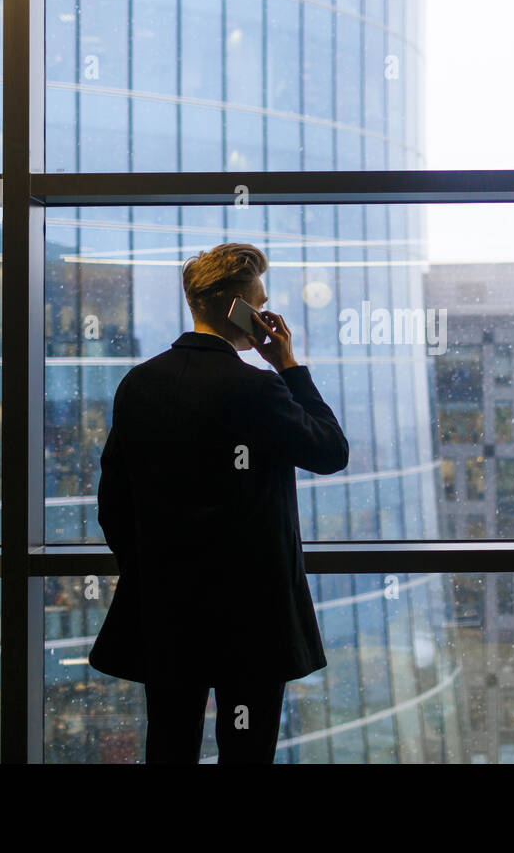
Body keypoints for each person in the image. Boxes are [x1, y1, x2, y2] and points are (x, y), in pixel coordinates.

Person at [88, 242, 348, 763]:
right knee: (247, 752)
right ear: (238, 309)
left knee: (168, 746)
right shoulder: (257, 389)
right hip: (251, 618)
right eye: (260, 301)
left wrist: (148, 572)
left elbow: (112, 501)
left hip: (166, 611)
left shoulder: (138, 384)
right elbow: (330, 451)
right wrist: (289, 366)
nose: (266, 312)